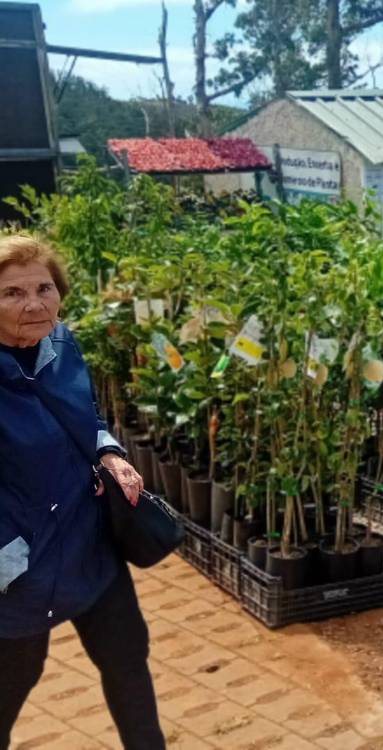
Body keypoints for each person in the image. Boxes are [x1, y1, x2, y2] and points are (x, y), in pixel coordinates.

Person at [0, 235, 164, 749]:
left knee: (128, 662)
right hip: (18, 568)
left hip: (90, 544)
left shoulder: (61, 344)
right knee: (12, 685)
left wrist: (111, 453)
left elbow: (86, 419)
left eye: (45, 288)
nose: (34, 304)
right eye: (12, 293)